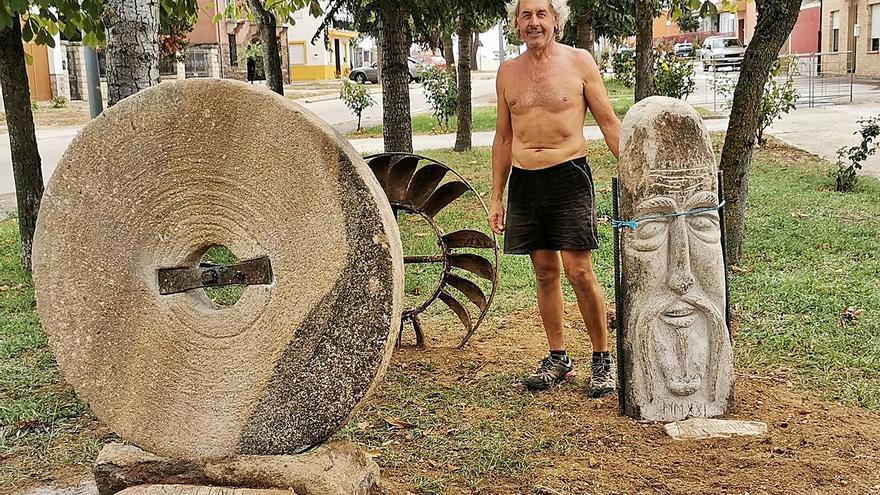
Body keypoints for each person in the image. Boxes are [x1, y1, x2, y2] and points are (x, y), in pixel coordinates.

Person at [489, 0, 621, 397]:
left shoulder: (579, 62)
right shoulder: (508, 72)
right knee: (545, 272)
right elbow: (503, 137)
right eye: (526, 15)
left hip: (569, 176)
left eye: (541, 14)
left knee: (579, 270)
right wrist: (497, 196)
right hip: (526, 183)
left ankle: (601, 358)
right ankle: (558, 357)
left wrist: (635, 174)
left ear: (556, 20)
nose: (533, 22)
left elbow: (609, 123)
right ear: (517, 23)